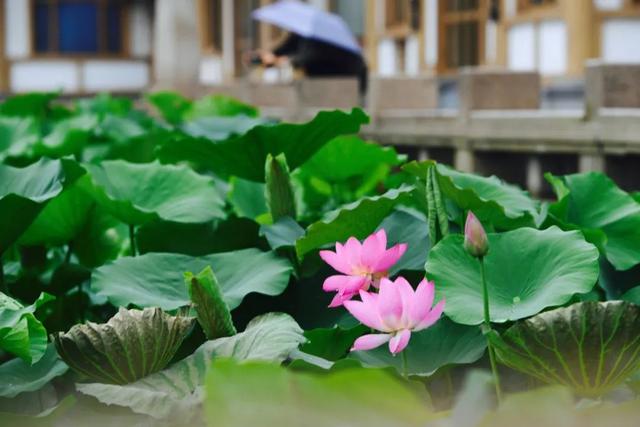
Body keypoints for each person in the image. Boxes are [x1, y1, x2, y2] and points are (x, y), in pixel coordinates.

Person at [251, 32, 368, 94]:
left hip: (344, 78)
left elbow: (310, 57)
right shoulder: (300, 33)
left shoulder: (319, 36)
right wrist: (266, 56)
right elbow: (284, 48)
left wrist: (282, 60)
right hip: (322, 82)